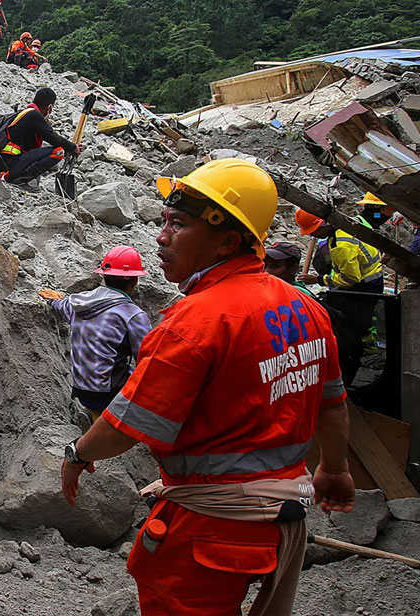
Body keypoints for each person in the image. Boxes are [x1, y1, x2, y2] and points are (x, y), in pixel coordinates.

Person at [62, 158, 355, 616]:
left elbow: (125, 427)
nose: (161, 237)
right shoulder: (306, 307)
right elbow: (333, 406)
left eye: (178, 224)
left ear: (228, 241)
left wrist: (78, 455)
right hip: (284, 518)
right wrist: (334, 469)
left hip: (214, 528)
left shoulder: (194, 323)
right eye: (163, 221)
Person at [41, 246, 152, 430]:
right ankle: (110, 421)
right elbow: (148, 359)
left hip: (80, 389)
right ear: (134, 281)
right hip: (109, 394)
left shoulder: (79, 303)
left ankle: (91, 414)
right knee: (149, 375)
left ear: (104, 276)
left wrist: (54, 300)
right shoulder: (132, 315)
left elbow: (62, 306)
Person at [296, 210, 384, 385]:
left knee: (353, 324)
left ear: (324, 225)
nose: (313, 235)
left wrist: (319, 279)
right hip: (374, 276)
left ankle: (360, 355)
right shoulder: (349, 222)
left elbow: (351, 278)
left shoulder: (341, 245)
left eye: (314, 231)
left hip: (362, 287)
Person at [0, 87, 82, 190]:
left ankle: (13, 176)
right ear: (49, 107)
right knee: (58, 151)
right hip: (9, 164)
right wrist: (72, 147)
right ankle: (17, 179)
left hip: (0, 163)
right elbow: (51, 137)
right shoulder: (34, 115)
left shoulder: (26, 113)